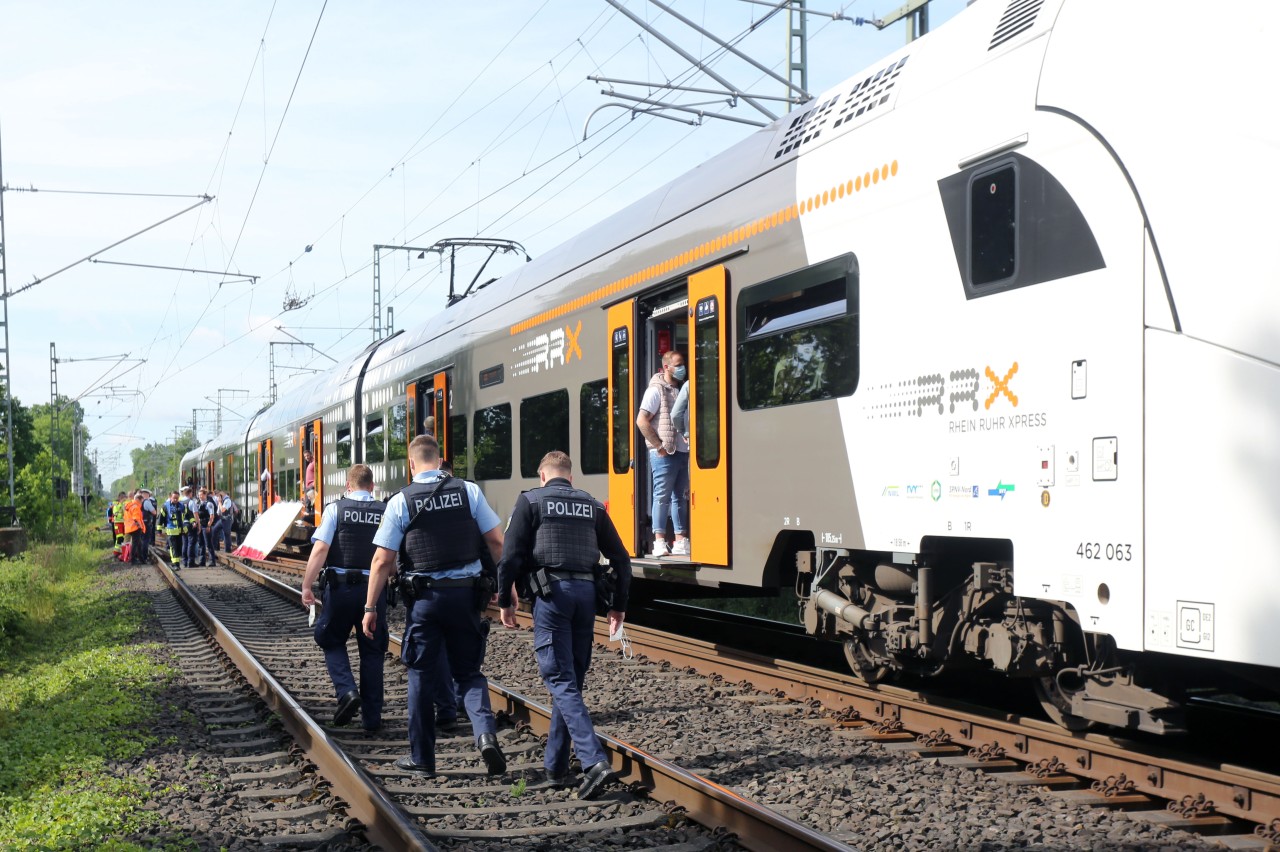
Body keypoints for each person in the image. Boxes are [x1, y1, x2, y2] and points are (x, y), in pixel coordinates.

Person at [362, 434, 506, 778]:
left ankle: (423, 759)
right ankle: (485, 735)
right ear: (440, 461)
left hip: (425, 601)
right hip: (466, 597)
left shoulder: (401, 501)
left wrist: (370, 607)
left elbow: (383, 560)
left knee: (421, 677)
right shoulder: (468, 491)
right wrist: (507, 586)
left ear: (411, 465)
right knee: (469, 672)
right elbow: (497, 541)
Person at [498, 450, 632, 800]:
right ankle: (556, 768)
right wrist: (619, 606)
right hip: (587, 595)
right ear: (570, 477)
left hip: (553, 597)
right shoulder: (592, 505)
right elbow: (621, 558)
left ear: (542, 475)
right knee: (569, 680)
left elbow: (510, 556)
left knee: (558, 678)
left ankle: (592, 762)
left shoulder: (531, 501)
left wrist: (505, 599)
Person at [302, 464, 388, 730]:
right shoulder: (385, 512)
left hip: (340, 591)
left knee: (330, 638)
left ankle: (347, 691)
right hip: (373, 591)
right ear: (372, 486)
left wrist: (306, 585)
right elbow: (391, 556)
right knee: (373, 652)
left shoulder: (335, 510)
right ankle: (372, 721)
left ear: (348, 487)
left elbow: (320, 550)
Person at [635, 349, 690, 557]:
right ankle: (659, 542)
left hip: (682, 451)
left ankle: (680, 540)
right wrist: (658, 446)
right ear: (666, 367)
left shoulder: (681, 388)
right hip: (664, 454)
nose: (682, 367)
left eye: (682, 363)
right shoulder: (655, 390)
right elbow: (641, 421)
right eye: (678, 364)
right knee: (662, 497)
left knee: (680, 497)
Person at [158, 491, 188, 570]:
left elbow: (186, 516)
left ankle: (176, 563)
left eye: (177, 498)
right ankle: (175, 564)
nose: (175, 499)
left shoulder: (181, 506)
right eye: (174, 498)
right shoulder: (165, 506)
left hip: (179, 531)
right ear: (170, 497)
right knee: (173, 548)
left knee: (178, 548)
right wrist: (159, 530)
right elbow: (161, 518)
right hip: (171, 531)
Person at [125, 491, 147, 564]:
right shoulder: (136, 507)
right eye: (141, 501)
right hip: (135, 528)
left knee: (138, 544)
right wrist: (140, 527)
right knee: (135, 544)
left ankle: (141, 559)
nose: (142, 503)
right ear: (138, 500)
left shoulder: (130, 505)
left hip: (129, 527)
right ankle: (133, 560)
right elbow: (136, 518)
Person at [111, 491, 128, 558]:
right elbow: (116, 514)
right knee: (120, 538)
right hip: (118, 524)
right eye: (124, 498)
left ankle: (122, 552)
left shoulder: (124, 504)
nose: (125, 499)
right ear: (121, 498)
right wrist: (123, 514)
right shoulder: (116, 505)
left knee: (124, 539)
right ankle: (116, 552)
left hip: (124, 523)